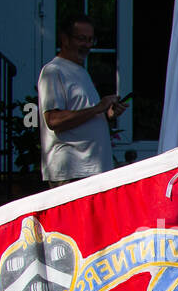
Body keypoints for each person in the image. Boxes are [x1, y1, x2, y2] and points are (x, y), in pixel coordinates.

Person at [37, 15, 126, 186]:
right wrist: (97, 108)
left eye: (91, 39)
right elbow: (53, 120)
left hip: (90, 170)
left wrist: (107, 114)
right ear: (65, 39)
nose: (87, 44)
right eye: (81, 39)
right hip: (72, 172)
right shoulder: (53, 71)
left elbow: (84, 114)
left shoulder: (80, 71)